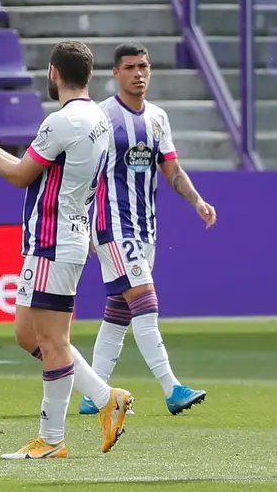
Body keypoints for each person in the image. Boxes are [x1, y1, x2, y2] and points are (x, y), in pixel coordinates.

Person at [0, 41, 133, 459]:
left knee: (53, 341)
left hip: (52, 240)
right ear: (90, 75)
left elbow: (22, 175)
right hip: (66, 236)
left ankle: (52, 439)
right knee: (28, 334)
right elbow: (84, 179)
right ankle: (105, 396)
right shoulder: (98, 117)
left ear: (53, 72)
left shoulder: (60, 122)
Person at [78, 42, 214, 416]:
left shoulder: (157, 118)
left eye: (144, 66)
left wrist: (197, 201)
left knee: (118, 314)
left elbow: (171, 168)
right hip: (113, 225)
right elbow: (85, 171)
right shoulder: (102, 116)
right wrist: (85, 221)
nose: (139, 73)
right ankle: (173, 389)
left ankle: (93, 395)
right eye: (130, 67)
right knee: (146, 304)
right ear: (115, 74)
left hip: (145, 230)